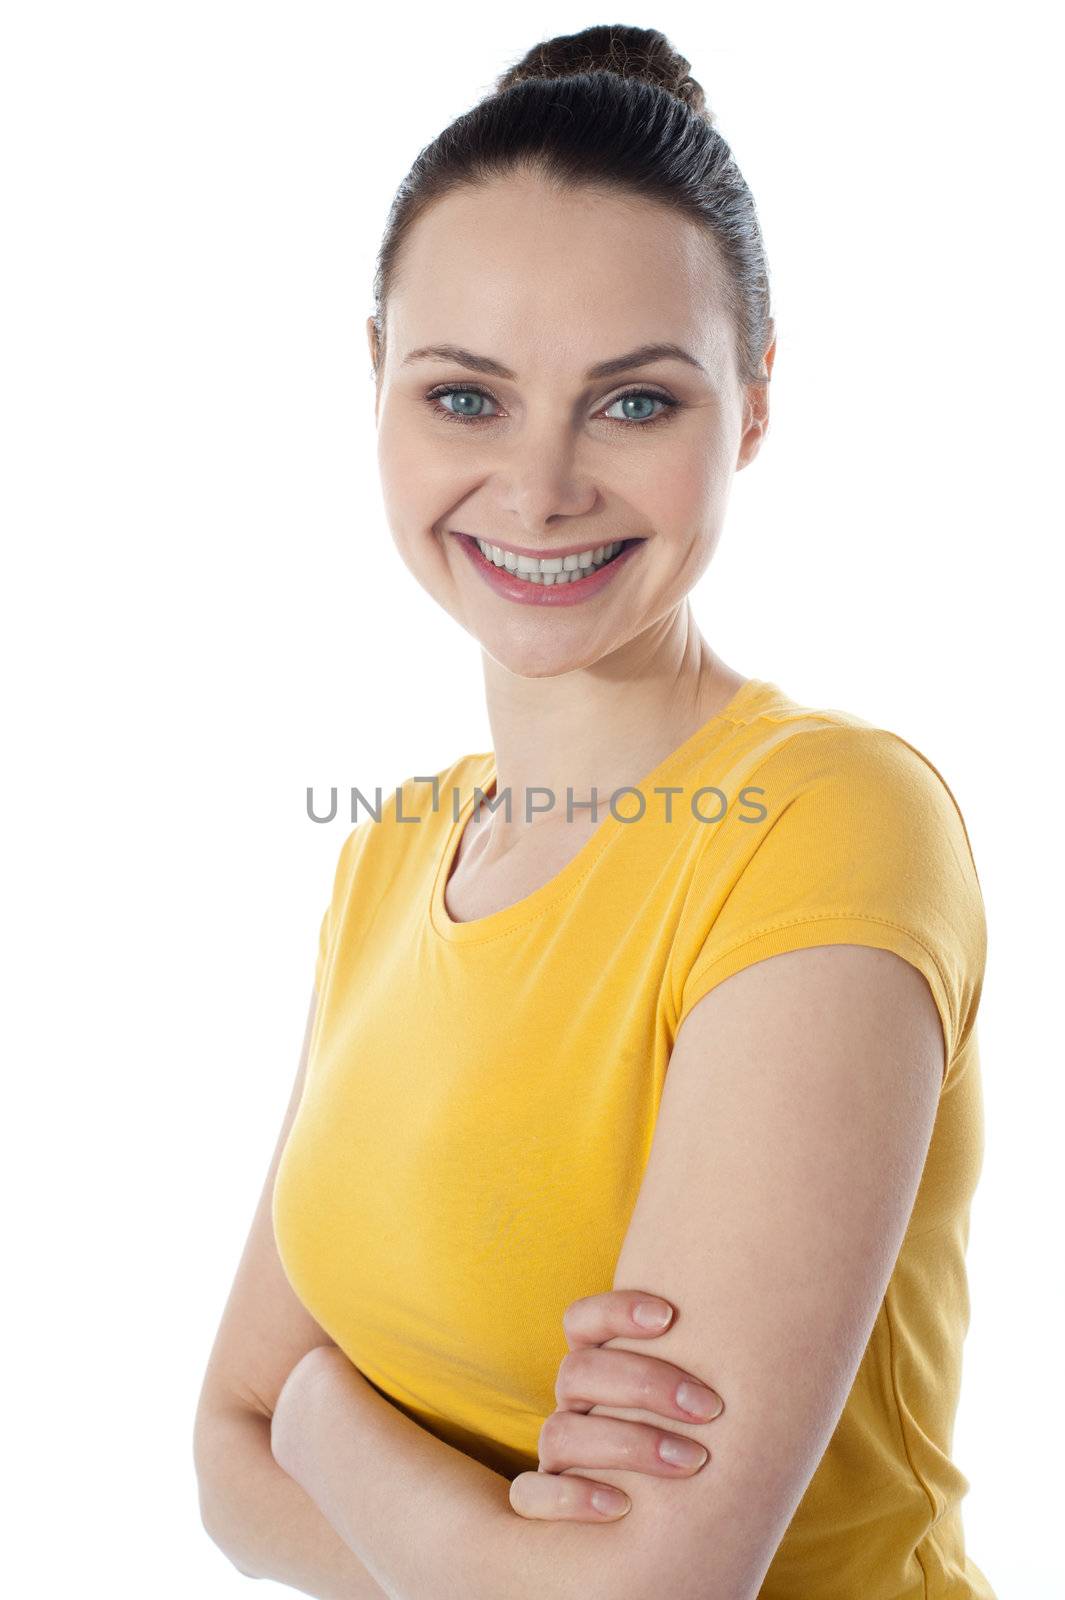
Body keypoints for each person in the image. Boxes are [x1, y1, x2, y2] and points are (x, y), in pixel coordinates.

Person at [195, 24, 995, 1599]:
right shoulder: (391, 850)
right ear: (376, 387)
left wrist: (317, 1411)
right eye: (464, 397)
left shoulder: (829, 824)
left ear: (750, 408)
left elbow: (634, 1590)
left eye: (633, 405)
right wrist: (473, 1547)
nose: (541, 485)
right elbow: (215, 1466)